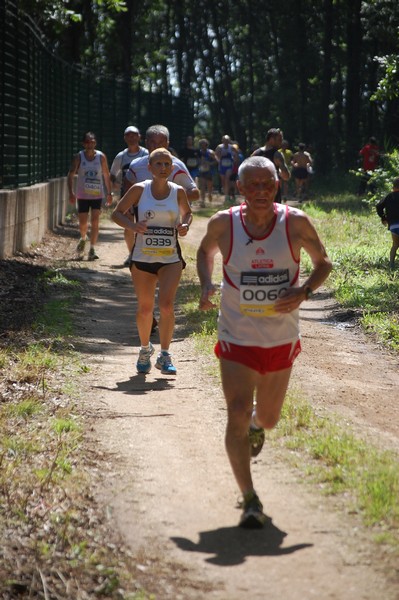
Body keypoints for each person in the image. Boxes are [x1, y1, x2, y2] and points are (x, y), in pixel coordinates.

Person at [196, 156, 332, 528]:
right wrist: (207, 284)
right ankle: (250, 499)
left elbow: (324, 263)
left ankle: (258, 425)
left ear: (277, 186)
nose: (260, 191)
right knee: (236, 409)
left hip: (281, 337)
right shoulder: (224, 223)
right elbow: (205, 253)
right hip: (236, 335)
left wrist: (304, 291)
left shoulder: (296, 222)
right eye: (252, 185)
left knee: (268, 418)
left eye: (267, 184)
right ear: (239, 188)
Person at [112, 148, 192, 375]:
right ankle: (145, 349)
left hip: (170, 259)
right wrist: (133, 226)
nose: (163, 168)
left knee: (166, 306)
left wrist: (185, 225)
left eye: (167, 164)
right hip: (142, 258)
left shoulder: (177, 192)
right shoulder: (139, 190)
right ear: (149, 167)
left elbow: (188, 214)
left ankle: (165, 355)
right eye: (158, 164)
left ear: (172, 167)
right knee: (145, 309)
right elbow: (117, 213)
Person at [67, 131, 113, 260]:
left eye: (92, 141)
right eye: (87, 142)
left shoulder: (101, 157)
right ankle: (83, 238)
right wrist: (71, 192)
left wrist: (109, 193)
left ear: (95, 143)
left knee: (95, 221)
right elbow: (70, 174)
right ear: (83, 143)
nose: (90, 144)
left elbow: (106, 175)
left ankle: (92, 248)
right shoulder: (79, 157)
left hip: (97, 195)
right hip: (82, 195)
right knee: (83, 223)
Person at [110, 126, 149, 266]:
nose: (131, 138)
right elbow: (112, 175)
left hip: (146, 195)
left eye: (134, 135)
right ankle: (132, 254)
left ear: (139, 137)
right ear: (125, 138)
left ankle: (146, 253)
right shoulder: (121, 157)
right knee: (129, 226)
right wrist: (111, 191)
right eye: (128, 135)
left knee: (146, 224)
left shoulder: (146, 154)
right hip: (127, 195)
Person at [251, 128, 290, 203]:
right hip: (272, 191)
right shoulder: (277, 155)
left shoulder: (255, 154)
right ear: (272, 139)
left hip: (257, 191)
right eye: (279, 140)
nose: (281, 143)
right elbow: (286, 176)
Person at [376, 176, 399, 270]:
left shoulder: (389, 196)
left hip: (394, 225)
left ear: (393, 187)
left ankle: (391, 265)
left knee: (395, 245)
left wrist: (383, 217)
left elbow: (378, 206)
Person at [215, 135, 239, 203]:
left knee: (227, 179)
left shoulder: (231, 147)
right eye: (225, 141)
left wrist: (235, 159)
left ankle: (227, 196)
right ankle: (226, 194)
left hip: (229, 165)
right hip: (222, 165)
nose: (226, 142)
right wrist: (219, 159)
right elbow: (216, 155)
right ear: (222, 141)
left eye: (227, 140)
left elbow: (237, 153)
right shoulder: (220, 147)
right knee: (223, 181)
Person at [197, 138, 217, 207]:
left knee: (209, 187)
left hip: (209, 172)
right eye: (201, 144)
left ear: (206, 145)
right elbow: (197, 161)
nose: (203, 146)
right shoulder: (198, 152)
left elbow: (216, 161)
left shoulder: (210, 152)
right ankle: (202, 201)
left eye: (204, 144)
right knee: (202, 186)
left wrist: (209, 163)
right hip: (201, 171)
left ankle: (209, 194)